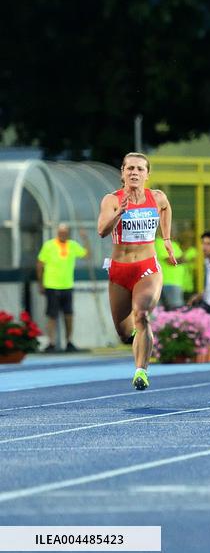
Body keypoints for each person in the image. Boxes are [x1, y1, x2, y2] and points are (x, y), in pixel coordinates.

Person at [97, 152, 176, 390]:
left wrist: (167, 238)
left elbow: (166, 208)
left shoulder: (157, 197)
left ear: (147, 175)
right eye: (130, 168)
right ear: (122, 173)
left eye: (140, 169)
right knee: (124, 333)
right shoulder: (112, 200)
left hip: (147, 268)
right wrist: (118, 213)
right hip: (120, 270)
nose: (134, 172)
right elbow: (101, 231)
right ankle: (140, 340)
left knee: (141, 315)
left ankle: (141, 371)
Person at [36, 223, 89, 352]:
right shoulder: (49, 245)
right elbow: (40, 264)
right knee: (52, 315)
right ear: (57, 232)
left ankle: (69, 341)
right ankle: (51, 343)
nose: (62, 234)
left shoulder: (72, 245)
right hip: (51, 285)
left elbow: (87, 255)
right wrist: (40, 283)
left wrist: (85, 239)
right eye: (60, 232)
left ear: (68, 233)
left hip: (67, 285)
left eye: (65, 232)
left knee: (68, 315)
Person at [155, 233, 185, 309]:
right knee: (176, 310)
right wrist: (183, 259)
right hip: (168, 282)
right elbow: (170, 261)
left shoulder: (173, 243)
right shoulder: (160, 242)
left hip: (176, 282)